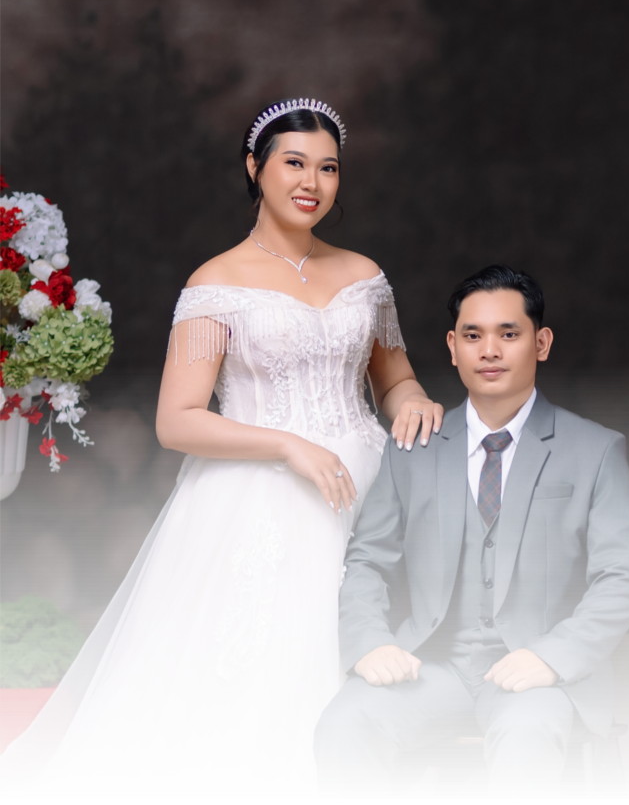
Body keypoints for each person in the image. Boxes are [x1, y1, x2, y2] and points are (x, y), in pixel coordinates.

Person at [0, 99, 442, 798]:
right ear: (254, 168)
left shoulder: (364, 276)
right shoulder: (215, 284)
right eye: (293, 163)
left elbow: (394, 379)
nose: (312, 182)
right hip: (259, 493)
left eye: (327, 168)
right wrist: (288, 445)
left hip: (370, 488)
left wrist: (413, 399)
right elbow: (177, 421)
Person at [314, 264, 629, 798]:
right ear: (452, 347)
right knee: (344, 723)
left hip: (538, 671)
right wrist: (370, 642)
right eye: (473, 336)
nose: (489, 351)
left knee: (525, 734)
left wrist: (551, 657)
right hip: (433, 666)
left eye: (508, 334)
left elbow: (623, 576)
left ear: (541, 343)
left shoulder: (594, 450)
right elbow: (369, 562)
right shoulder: (413, 449)